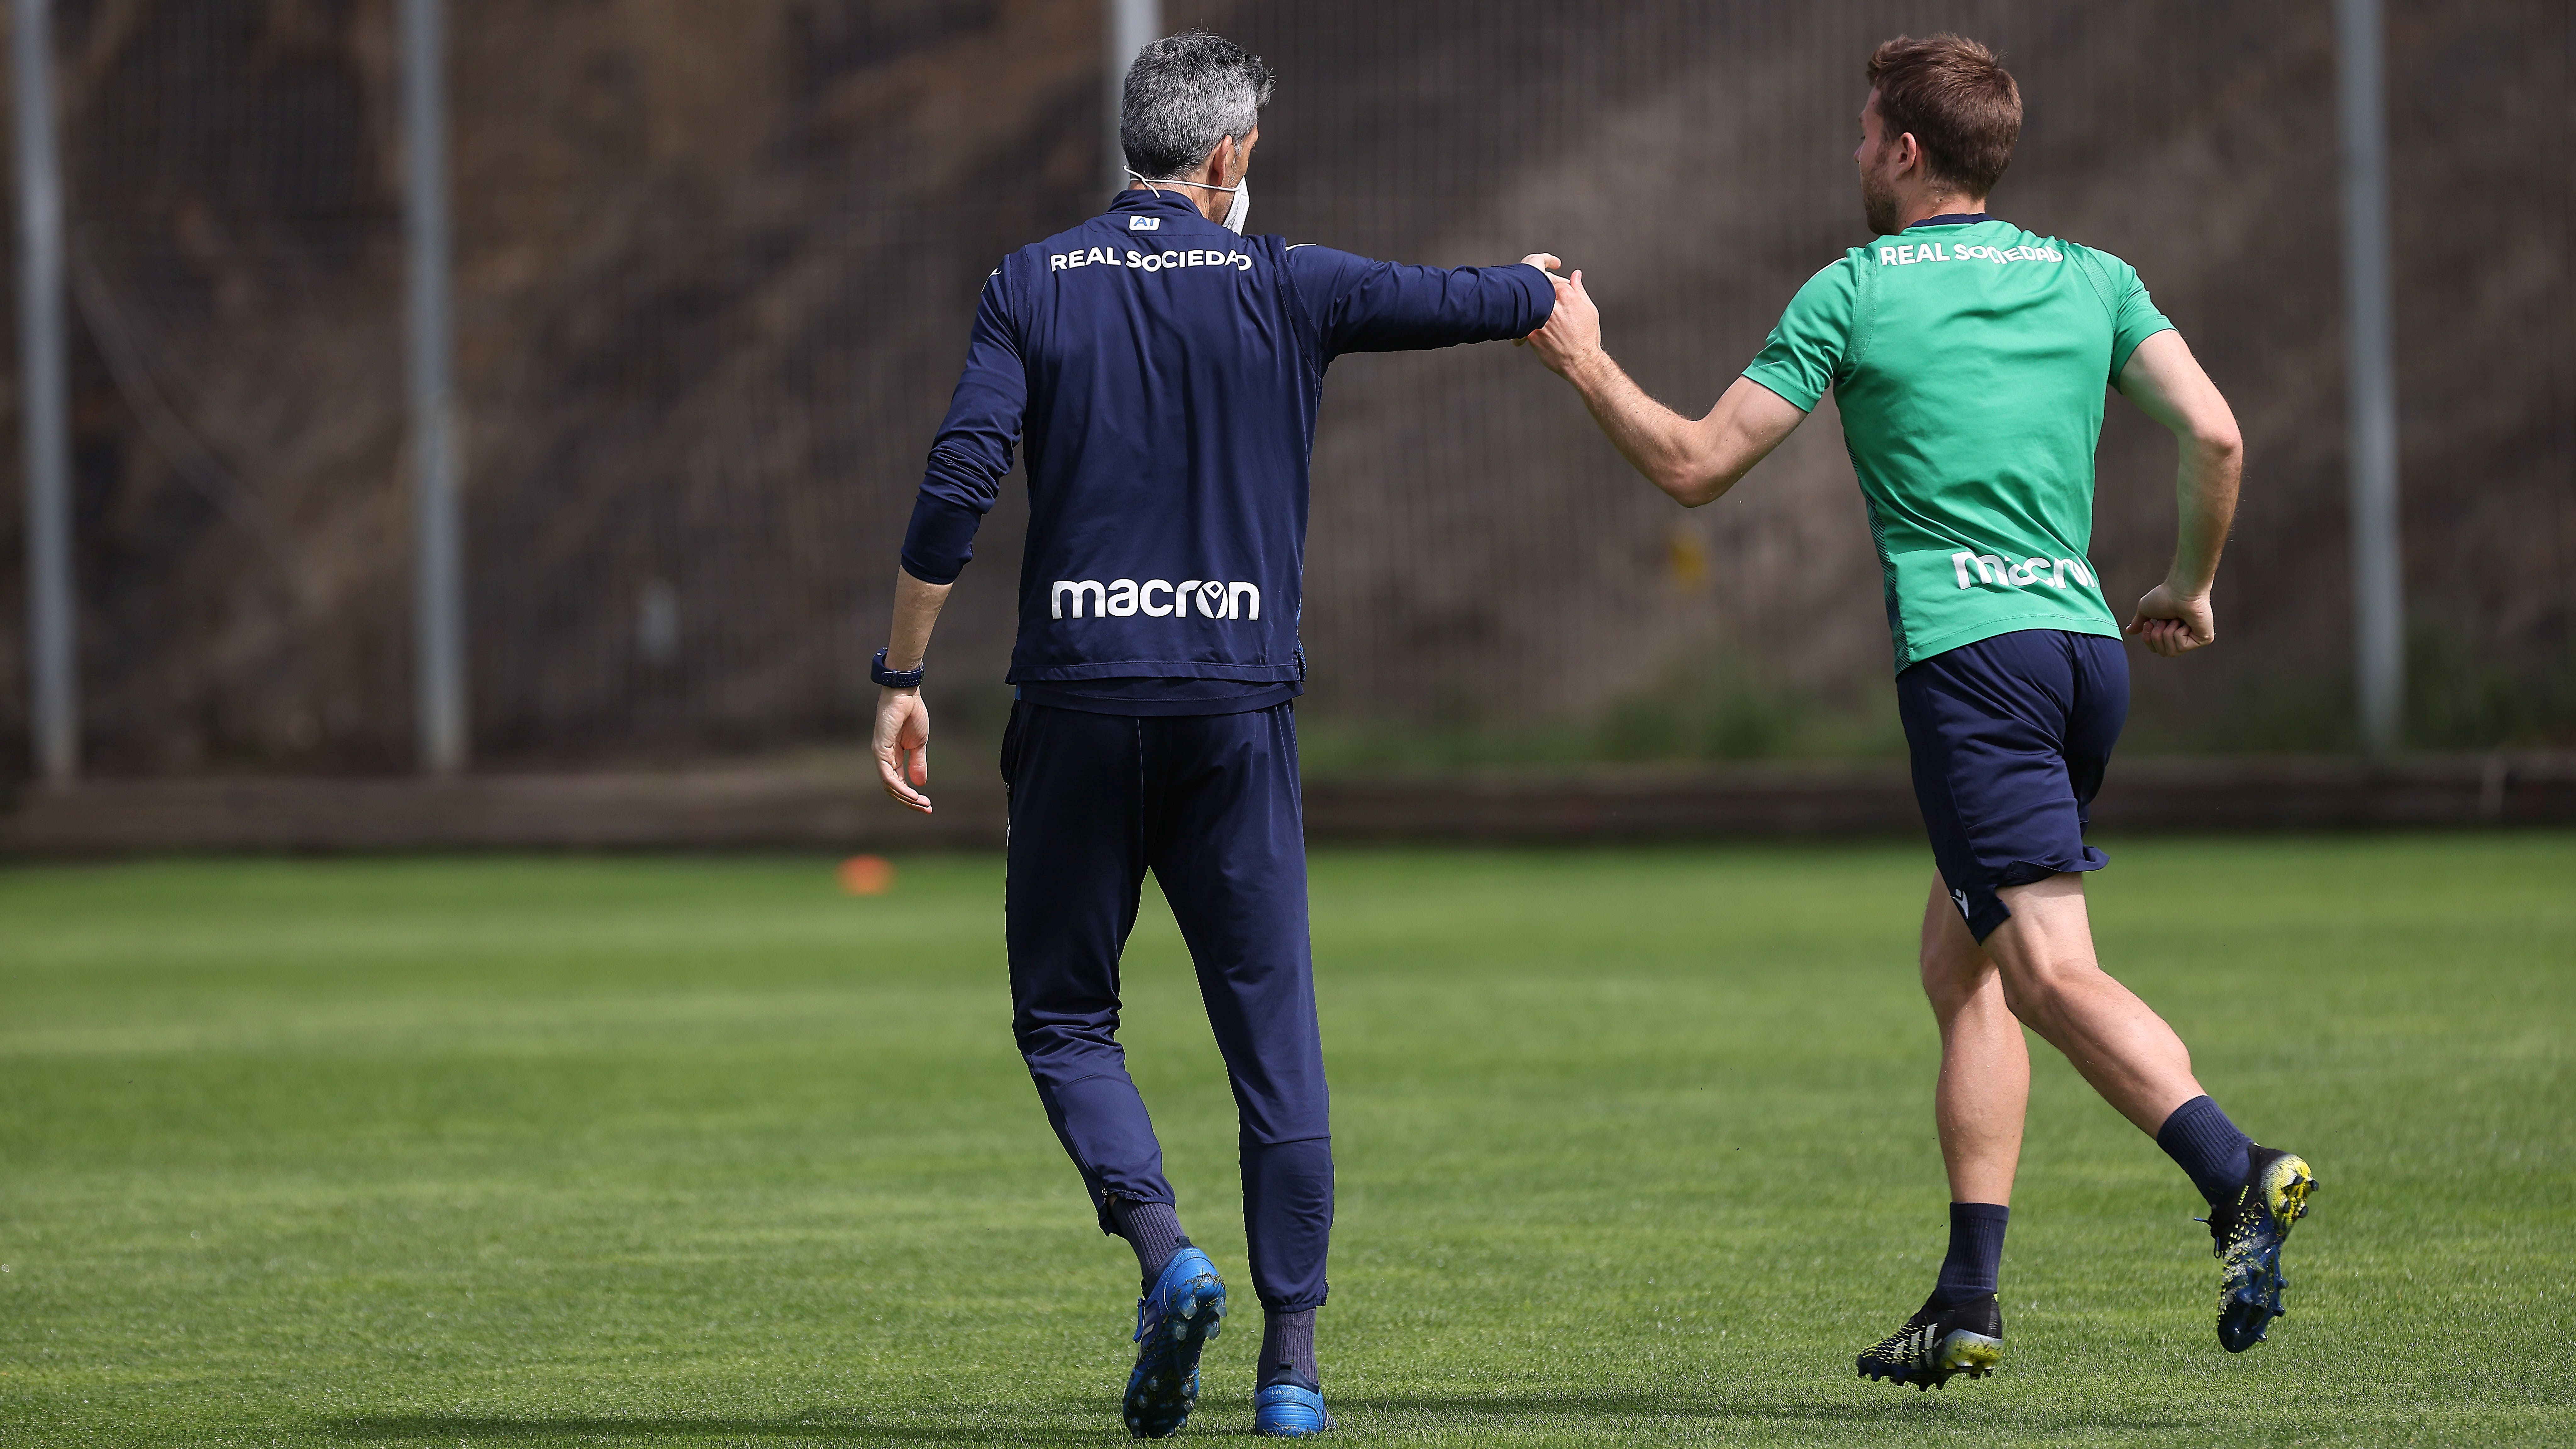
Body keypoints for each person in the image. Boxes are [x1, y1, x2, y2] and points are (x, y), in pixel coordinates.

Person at [1522, 33, 2315, 1389]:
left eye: (1859, 132)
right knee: (1963, 967)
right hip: (2079, 657)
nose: (1851, 152)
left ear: (1901, 150)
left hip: (1972, 667)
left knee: (2046, 972)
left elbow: (1695, 465)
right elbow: (2217, 436)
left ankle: (2233, 1172)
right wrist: (2186, 586)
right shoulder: (2092, 276)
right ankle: (1964, 1299)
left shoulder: (1855, 291)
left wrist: (1580, 356)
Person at [870, 30, 1557, 1439]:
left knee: (1066, 1017)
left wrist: (899, 671)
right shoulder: (1284, 281)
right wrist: (1538, 288)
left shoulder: (1031, 280)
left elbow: (956, 482)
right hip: (1234, 715)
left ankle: (1160, 1250)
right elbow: (1450, 299)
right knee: (1271, 1041)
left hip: (1074, 706)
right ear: (1230, 153)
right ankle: (1291, 1365)